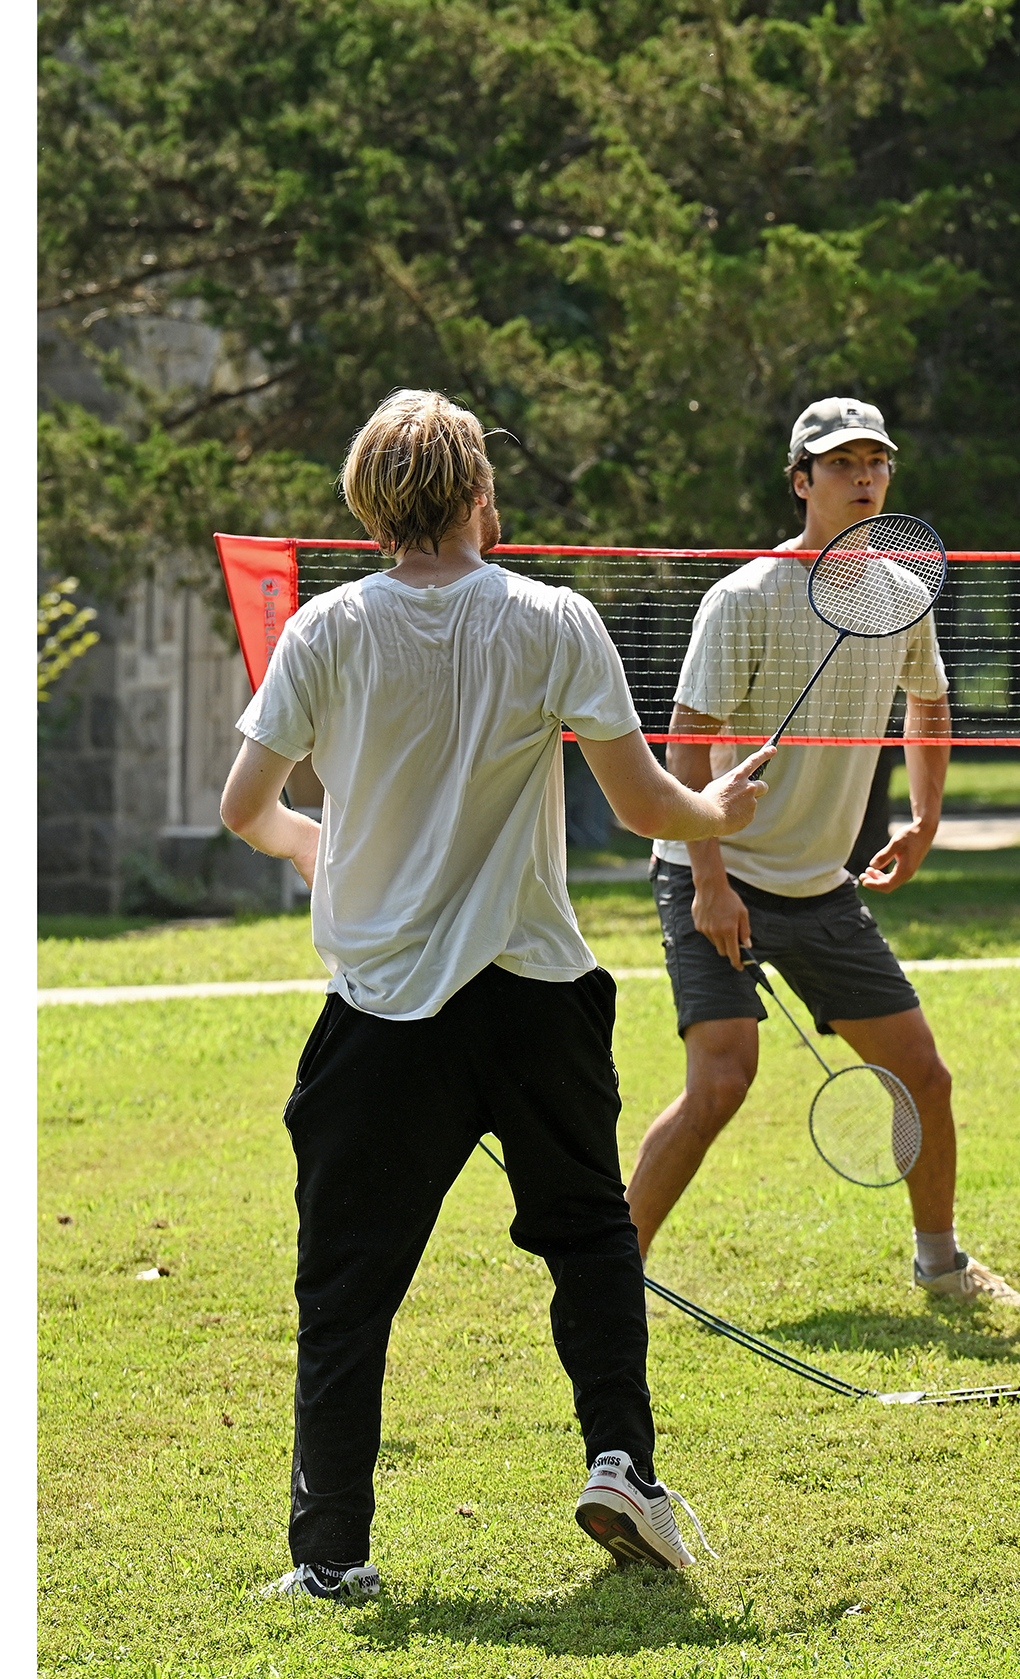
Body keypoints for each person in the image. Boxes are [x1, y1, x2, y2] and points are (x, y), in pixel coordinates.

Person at [220, 390, 771, 1601]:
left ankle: (330, 1558)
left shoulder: (322, 630)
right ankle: (622, 1463)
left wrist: (312, 846)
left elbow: (242, 805)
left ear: (370, 505)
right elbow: (643, 806)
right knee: (589, 1238)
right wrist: (716, 813)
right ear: (480, 493)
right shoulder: (555, 617)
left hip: (379, 1014)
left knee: (347, 1285)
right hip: (536, 996)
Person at [626, 397, 1020, 1307]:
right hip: (714, 873)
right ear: (801, 481)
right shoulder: (743, 597)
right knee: (723, 1080)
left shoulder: (901, 591)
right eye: (840, 464)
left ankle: (941, 1266)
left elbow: (929, 704)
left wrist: (925, 818)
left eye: (875, 463)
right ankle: (610, 1272)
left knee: (922, 1075)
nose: (862, 478)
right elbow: (688, 742)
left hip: (821, 887)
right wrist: (710, 882)